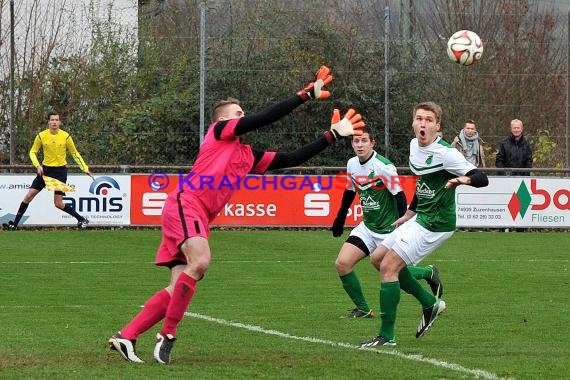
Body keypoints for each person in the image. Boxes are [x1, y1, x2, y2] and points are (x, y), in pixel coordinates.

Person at [108, 66, 366, 364]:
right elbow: (264, 118)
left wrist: (332, 135)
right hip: (186, 203)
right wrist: (305, 94)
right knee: (201, 261)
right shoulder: (218, 133)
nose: (242, 116)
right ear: (222, 120)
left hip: (193, 213)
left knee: (179, 283)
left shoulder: (247, 156)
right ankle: (168, 334)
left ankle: (126, 335)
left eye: (243, 112)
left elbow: (292, 158)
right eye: (237, 113)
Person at [359, 101, 488, 348]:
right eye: (419, 118)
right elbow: (423, 183)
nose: (423, 123)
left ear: (437, 126)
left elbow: (482, 178)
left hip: (437, 223)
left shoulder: (447, 153)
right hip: (420, 218)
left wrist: (463, 179)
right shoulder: (413, 146)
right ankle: (430, 303)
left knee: (388, 267)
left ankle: (387, 335)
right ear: (413, 122)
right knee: (377, 259)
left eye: (429, 120)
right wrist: (409, 213)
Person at [331, 127, 443, 319]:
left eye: (364, 140)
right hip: (368, 227)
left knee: (392, 272)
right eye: (356, 141)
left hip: (388, 230)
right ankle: (364, 309)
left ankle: (427, 273)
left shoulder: (384, 166)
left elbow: (399, 197)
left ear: (372, 143)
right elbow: (350, 191)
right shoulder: (352, 164)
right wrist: (340, 217)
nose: (359, 145)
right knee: (342, 264)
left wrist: (403, 229)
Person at [2, 111, 93, 230]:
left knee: (58, 203)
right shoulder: (41, 135)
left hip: (60, 172)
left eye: (56, 120)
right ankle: (14, 224)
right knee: (28, 196)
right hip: (45, 171)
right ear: (48, 122)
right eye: (52, 120)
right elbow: (32, 152)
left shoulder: (66, 136)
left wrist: (85, 168)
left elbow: (75, 153)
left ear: (59, 122)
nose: (54, 122)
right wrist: (37, 165)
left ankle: (81, 219)